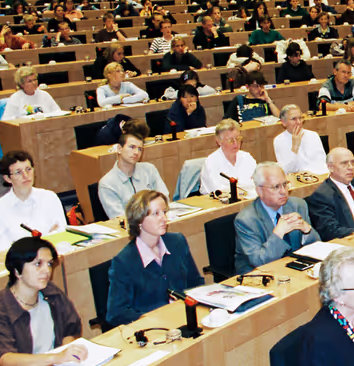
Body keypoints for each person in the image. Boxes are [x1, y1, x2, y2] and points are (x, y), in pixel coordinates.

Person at [0, 237, 83, 366]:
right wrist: (56, 358)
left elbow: (70, 329)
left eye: (49, 263)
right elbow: (6, 361)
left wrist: (69, 352)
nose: (46, 270)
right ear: (17, 271)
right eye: (38, 264)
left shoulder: (51, 294)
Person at [106, 190, 205, 326]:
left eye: (164, 212)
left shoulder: (177, 242)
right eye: (156, 214)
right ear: (139, 220)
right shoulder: (124, 262)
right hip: (153, 329)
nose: (164, 218)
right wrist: (150, 319)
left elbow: (195, 282)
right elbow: (116, 313)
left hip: (186, 319)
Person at [234, 162, 320, 274]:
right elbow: (259, 261)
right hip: (259, 276)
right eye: (276, 187)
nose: (283, 191)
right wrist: (278, 233)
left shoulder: (298, 205)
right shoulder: (246, 220)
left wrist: (307, 230)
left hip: (294, 269)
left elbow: (317, 247)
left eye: (285, 184)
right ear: (259, 191)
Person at [0, 150, 65, 254]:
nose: (25, 175)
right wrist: (47, 239)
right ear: (7, 178)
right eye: (18, 172)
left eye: (28, 169)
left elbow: (62, 237)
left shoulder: (50, 197)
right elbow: (1, 251)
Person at [98, 131, 169, 219]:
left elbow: (164, 199)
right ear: (119, 149)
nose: (136, 152)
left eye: (140, 149)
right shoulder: (107, 183)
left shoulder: (149, 169)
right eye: (132, 147)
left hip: (156, 221)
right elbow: (119, 218)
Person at [200, 119, 257, 197]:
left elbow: (258, 183)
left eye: (238, 139)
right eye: (230, 140)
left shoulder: (247, 157)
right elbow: (218, 191)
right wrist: (244, 187)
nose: (236, 143)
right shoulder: (211, 162)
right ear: (219, 141)